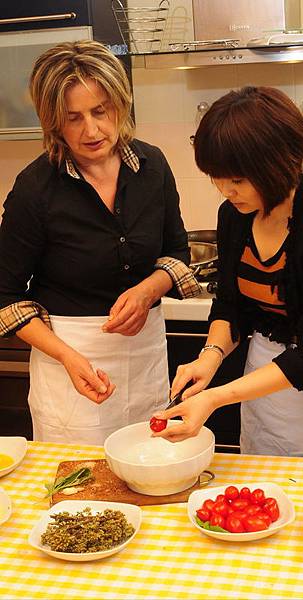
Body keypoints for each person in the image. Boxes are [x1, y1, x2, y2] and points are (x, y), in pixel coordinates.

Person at [152, 86, 303, 458]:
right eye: (217, 178)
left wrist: (216, 397)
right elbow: (231, 305)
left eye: (237, 180)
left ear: (279, 165)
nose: (225, 191)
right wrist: (210, 357)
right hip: (267, 388)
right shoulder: (235, 216)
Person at [0, 40, 200, 445]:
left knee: (147, 474)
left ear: (120, 106)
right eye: (73, 118)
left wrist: (147, 291)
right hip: (69, 366)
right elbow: (4, 297)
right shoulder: (35, 188)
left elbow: (177, 253)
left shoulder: (152, 166)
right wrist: (67, 358)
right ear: (53, 122)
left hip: (144, 359)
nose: (91, 130)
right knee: (80, 491)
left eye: (100, 111)